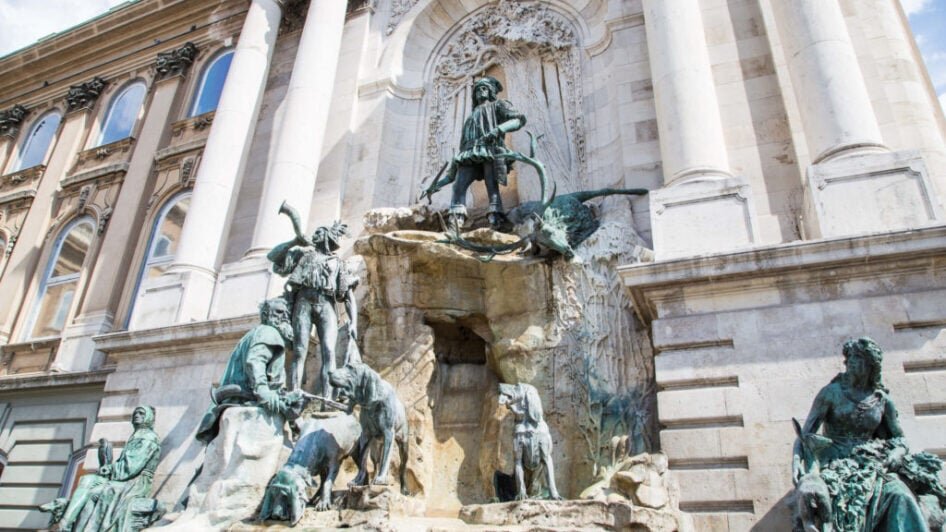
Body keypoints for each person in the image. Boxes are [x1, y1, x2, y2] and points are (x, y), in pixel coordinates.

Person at [793, 337, 945, 531]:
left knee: (901, 495)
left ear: (869, 364)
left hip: (873, 465)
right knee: (837, 504)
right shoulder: (830, 393)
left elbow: (899, 437)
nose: (849, 363)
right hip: (833, 463)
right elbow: (805, 436)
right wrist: (797, 465)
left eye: (856, 358)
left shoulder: (882, 400)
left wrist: (897, 452)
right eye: (850, 358)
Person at [421, 76, 526, 231]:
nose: (479, 92)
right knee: (458, 186)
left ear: (491, 91)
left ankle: (496, 219)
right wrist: (435, 186)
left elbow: (518, 120)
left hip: (490, 150)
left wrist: (498, 130)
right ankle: (455, 223)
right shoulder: (471, 115)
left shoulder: (498, 105)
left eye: (483, 88)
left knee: (492, 186)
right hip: (469, 153)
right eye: (477, 90)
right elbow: (450, 177)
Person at [267, 218, 358, 396]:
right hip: (303, 302)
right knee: (299, 351)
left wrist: (353, 322)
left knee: (329, 352)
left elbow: (348, 296)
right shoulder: (302, 255)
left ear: (326, 237)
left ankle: (327, 400)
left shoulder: (338, 263)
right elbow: (273, 257)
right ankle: (294, 397)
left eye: (318, 232)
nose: (314, 235)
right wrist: (294, 242)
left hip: (326, 304)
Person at [195, 298, 295, 443]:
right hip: (250, 400)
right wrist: (263, 389)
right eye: (279, 312)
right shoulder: (268, 332)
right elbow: (255, 361)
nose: (285, 316)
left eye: (286, 313)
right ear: (266, 314)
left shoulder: (253, 334)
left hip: (236, 401)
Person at [53, 406, 162, 531]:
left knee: (94, 492)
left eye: (141, 413)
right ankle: (65, 523)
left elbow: (131, 468)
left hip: (135, 483)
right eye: (135, 413)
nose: (137, 415)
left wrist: (110, 469)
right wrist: (108, 469)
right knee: (86, 479)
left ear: (148, 417)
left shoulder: (148, 438)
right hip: (123, 479)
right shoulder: (136, 436)